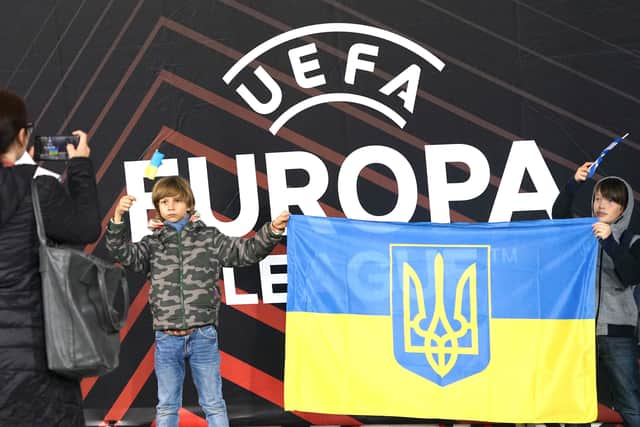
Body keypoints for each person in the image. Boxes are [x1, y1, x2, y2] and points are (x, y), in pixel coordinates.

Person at [105, 175, 289, 427]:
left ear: (189, 204)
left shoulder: (209, 238)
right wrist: (116, 219)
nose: (170, 206)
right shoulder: (152, 244)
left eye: (176, 201)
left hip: (203, 334)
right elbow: (121, 253)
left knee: (213, 403)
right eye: (164, 202)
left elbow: (245, 252)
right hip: (166, 337)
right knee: (167, 405)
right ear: (157, 206)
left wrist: (273, 230)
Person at [0, 89, 100, 426]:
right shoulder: (39, 187)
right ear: (23, 134)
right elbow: (85, 227)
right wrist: (80, 165)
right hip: (38, 355)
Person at [552, 161, 640, 426]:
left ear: (622, 208)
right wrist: (573, 184)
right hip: (581, 332)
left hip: (617, 334)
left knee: (629, 402)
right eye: (598, 199)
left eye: (610, 201)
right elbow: (559, 216)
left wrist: (610, 241)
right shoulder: (584, 233)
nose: (601, 205)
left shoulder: (633, 240)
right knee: (575, 401)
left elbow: (631, 276)